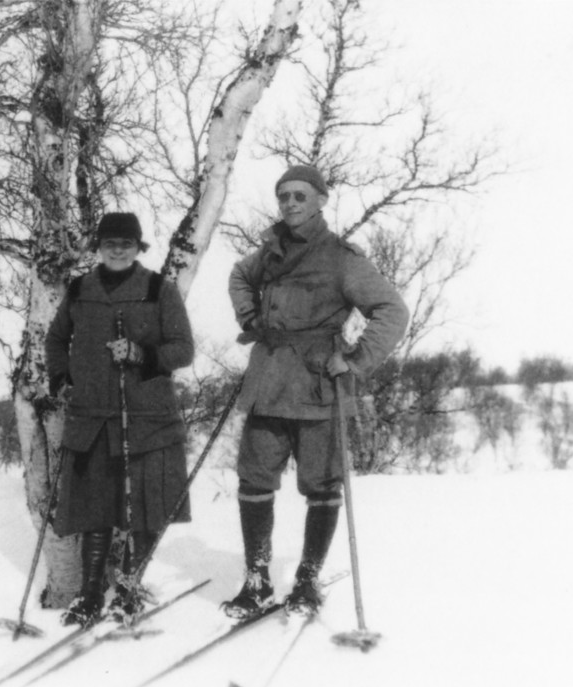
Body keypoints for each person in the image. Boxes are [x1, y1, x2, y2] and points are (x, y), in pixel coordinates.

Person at [224, 165, 409, 618]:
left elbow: (392, 309)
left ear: (322, 200)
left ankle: (307, 578)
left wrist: (355, 357)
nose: (289, 203)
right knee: (254, 479)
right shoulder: (268, 251)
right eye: (283, 195)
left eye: (300, 196)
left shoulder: (341, 258)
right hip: (267, 380)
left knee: (322, 485)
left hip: (317, 384)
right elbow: (238, 278)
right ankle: (257, 577)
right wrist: (251, 320)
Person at [44, 212, 195, 627]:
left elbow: (183, 348)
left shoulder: (158, 288)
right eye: (109, 242)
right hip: (91, 415)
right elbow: (56, 339)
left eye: (126, 242)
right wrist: (61, 378)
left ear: (138, 246)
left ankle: (127, 588)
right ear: (98, 245)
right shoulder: (80, 288)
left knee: (145, 507)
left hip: (146, 415)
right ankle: (90, 593)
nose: (117, 249)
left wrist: (142, 353)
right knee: (96, 508)